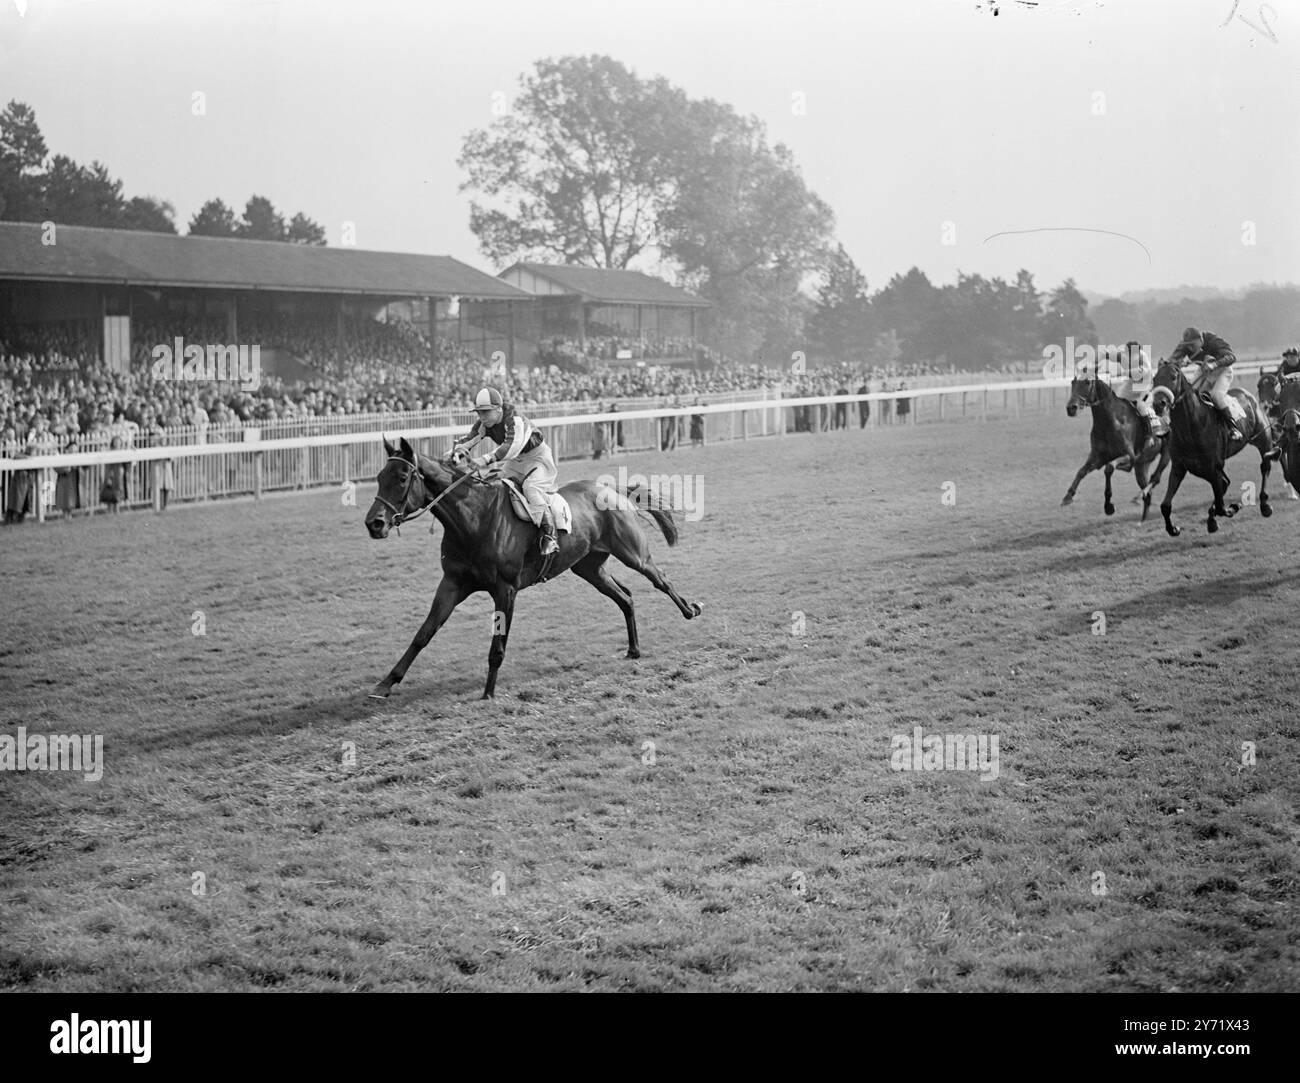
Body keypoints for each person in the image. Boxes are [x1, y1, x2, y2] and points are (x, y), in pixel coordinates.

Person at [451, 386, 559, 558]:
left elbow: (511, 448)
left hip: (538, 457)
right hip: (516, 461)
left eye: (485, 412)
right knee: (494, 483)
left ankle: (550, 535)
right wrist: (455, 452)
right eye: (479, 413)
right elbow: (469, 439)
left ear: (498, 409)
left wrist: (484, 460)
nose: (481, 417)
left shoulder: (514, 419)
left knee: (531, 488)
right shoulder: (484, 424)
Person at [1167, 326, 1243, 440]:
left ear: (1201, 340)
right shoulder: (1185, 345)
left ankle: (1233, 428)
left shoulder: (1213, 341)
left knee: (1216, 396)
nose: (1189, 348)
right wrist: (1173, 363)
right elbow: (1172, 360)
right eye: (1187, 345)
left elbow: (1232, 357)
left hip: (1223, 369)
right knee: (1189, 395)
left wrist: (1214, 365)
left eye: (1192, 345)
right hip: (1204, 369)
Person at [1108, 340, 1167, 439]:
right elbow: (1113, 355)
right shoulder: (1126, 355)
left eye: (1128, 353)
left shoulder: (1142, 357)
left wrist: (1122, 373)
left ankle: (1149, 434)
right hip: (1132, 384)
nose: (1126, 355)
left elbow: (1141, 372)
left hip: (1145, 386)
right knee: (1117, 400)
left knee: (1140, 405)